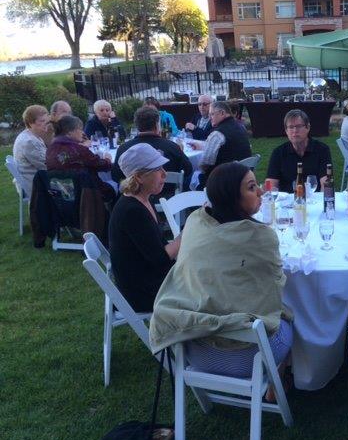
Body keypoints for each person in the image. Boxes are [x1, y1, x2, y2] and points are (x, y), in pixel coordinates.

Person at [149, 162, 292, 395]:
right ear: (231, 197)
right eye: (251, 187)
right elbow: (275, 287)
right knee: (289, 315)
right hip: (250, 357)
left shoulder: (195, 221)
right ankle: (279, 382)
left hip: (192, 348)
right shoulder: (261, 237)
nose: (260, 192)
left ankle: (276, 384)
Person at [109, 143, 181, 312]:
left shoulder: (141, 200)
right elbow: (161, 259)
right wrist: (188, 233)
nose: (164, 174)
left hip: (147, 280)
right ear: (139, 177)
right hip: (144, 292)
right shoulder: (132, 211)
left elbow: (158, 248)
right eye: (158, 169)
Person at [111, 106, 193, 193]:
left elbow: (116, 177)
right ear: (157, 125)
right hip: (167, 197)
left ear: (137, 126)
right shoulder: (172, 147)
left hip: (134, 196)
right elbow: (188, 170)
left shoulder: (123, 148)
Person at [45, 115, 115, 202]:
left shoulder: (50, 150)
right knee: (117, 184)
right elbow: (103, 166)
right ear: (70, 132)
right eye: (80, 129)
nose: (82, 133)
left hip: (63, 196)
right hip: (87, 193)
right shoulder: (78, 150)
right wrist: (108, 159)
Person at [188, 101, 252, 190]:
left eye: (212, 114)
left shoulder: (217, 133)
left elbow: (205, 164)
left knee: (189, 176)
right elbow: (229, 147)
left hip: (222, 182)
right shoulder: (240, 127)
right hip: (243, 176)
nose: (210, 118)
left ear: (222, 113)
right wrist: (203, 146)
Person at [266, 109, 332, 193]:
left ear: (308, 127)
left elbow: (326, 183)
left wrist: (322, 199)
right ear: (286, 131)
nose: (295, 131)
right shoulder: (278, 153)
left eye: (299, 126)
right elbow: (270, 184)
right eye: (291, 127)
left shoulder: (322, 150)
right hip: (287, 199)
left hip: (314, 198)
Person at [12, 105, 49, 197]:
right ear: (31, 123)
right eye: (42, 121)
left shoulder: (32, 136)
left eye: (46, 121)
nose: (46, 124)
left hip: (37, 181)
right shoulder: (29, 142)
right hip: (35, 186)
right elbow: (47, 165)